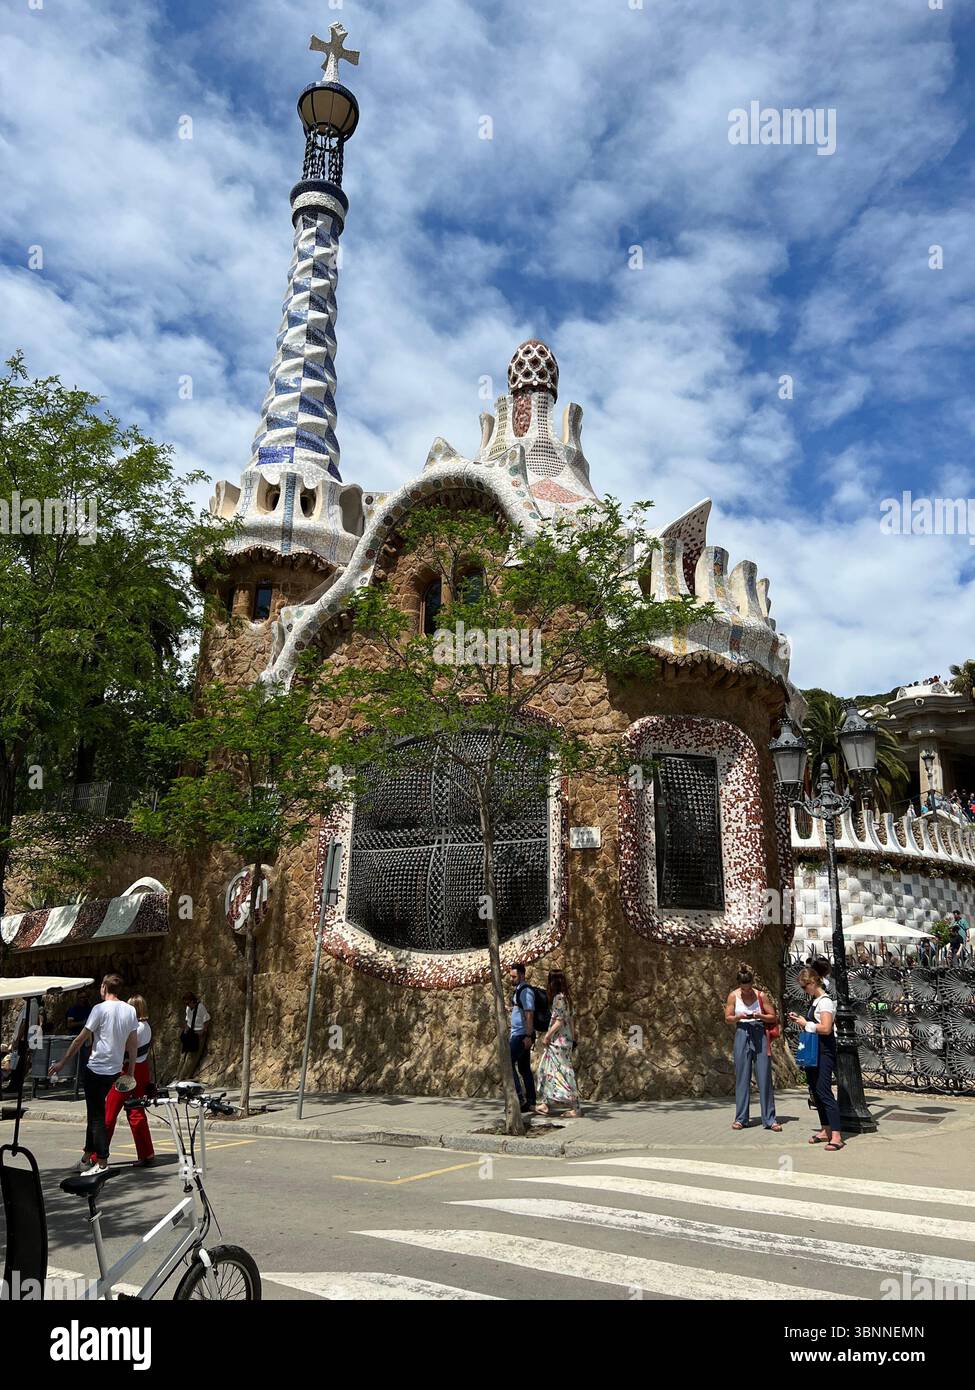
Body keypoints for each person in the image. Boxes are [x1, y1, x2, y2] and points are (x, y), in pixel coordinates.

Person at [50, 974, 137, 1173]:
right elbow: (133, 1043)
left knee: (97, 1116)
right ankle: (86, 1157)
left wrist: (63, 1062)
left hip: (96, 1069)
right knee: (94, 1115)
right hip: (115, 1070)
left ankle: (102, 1161)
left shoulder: (98, 1009)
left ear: (104, 988)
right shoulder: (130, 1010)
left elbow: (80, 1039)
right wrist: (130, 1071)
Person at [788, 965, 843, 1152]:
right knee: (815, 1092)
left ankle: (836, 1134)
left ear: (812, 982)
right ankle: (825, 1129)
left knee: (824, 1091)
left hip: (824, 1051)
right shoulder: (815, 1001)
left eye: (805, 987)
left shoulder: (825, 1002)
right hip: (814, 1050)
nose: (804, 991)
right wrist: (803, 1021)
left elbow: (826, 1028)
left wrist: (806, 1023)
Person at [725, 966, 781, 1131]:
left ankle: (770, 1119)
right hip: (742, 1032)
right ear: (739, 985)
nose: (746, 991)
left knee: (764, 1076)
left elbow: (773, 1016)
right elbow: (727, 1018)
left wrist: (760, 1016)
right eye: (743, 988)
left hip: (759, 1031)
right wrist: (737, 1017)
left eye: (749, 988)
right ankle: (741, 1118)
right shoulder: (733, 996)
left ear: (752, 984)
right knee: (742, 1076)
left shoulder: (760, 995)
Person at [103, 995, 155, 1165]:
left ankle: (97, 1155)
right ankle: (146, 1153)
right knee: (137, 1112)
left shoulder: (135, 1029)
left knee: (109, 1113)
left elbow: (120, 1048)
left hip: (128, 1071)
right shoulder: (146, 1027)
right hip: (142, 1070)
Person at [535, 971, 580, 1118]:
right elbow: (571, 1019)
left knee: (562, 1071)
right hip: (565, 1041)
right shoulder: (567, 998)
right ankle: (546, 1103)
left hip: (558, 1041)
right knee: (550, 1069)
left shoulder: (558, 999)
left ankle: (575, 1107)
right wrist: (573, 1038)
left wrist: (547, 1036)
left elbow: (559, 1021)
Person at [508, 964, 536, 1114]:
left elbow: (529, 1014)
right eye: (511, 976)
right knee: (524, 1068)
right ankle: (530, 1102)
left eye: (514, 976)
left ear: (522, 975)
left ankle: (520, 1098)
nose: (511, 979)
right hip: (519, 1034)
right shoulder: (519, 991)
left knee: (508, 1061)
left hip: (521, 1035)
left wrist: (528, 1036)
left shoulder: (525, 991)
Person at [177, 992, 211, 1080]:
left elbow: (206, 1019)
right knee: (183, 1056)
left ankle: (184, 1077)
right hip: (190, 1033)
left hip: (198, 1034)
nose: (187, 1005)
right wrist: (185, 1029)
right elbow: (188, 1019)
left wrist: (203, 1031)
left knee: (192, 1057)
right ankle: (179, 1076)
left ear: (192, 1001)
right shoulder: (188, 1008)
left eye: (188, 1003)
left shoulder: (200, 1007)